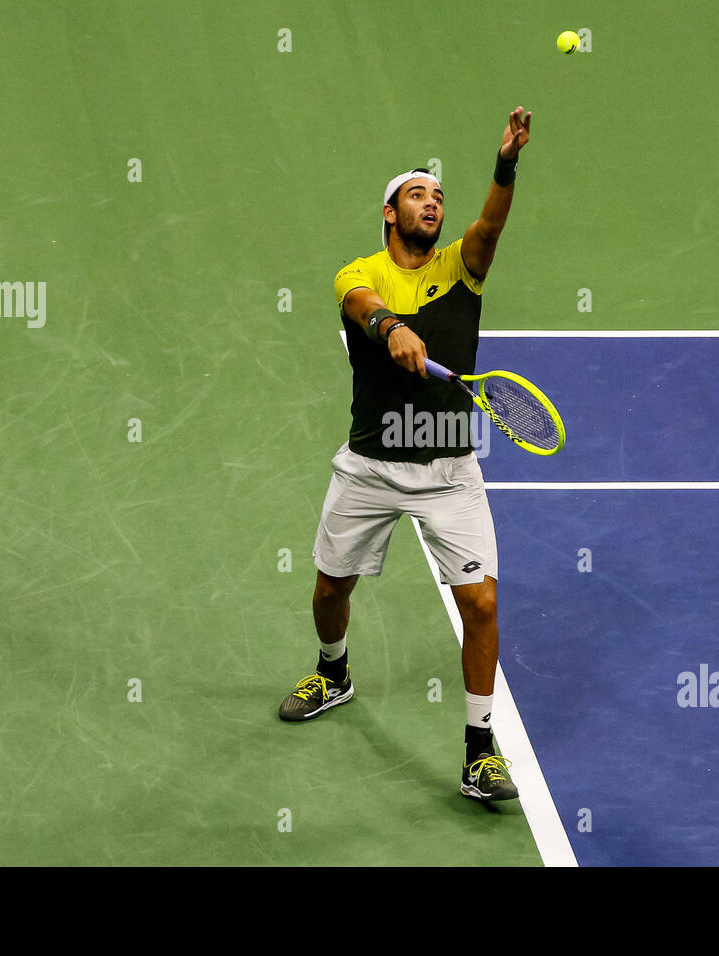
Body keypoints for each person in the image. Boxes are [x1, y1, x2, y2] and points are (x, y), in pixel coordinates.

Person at [278, 107, 533, 803]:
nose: (433, 203)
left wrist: (505, 164)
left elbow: (492, 226)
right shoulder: (358, 273)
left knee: (481, 605)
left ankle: (479, 751)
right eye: (418, 194)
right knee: (332, 587)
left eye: (439, 197)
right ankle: (334, 671)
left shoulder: (464, 268)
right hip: (371, 464)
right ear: (390, 214)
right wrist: (390, 327)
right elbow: (359, 302)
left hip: (450, 472)